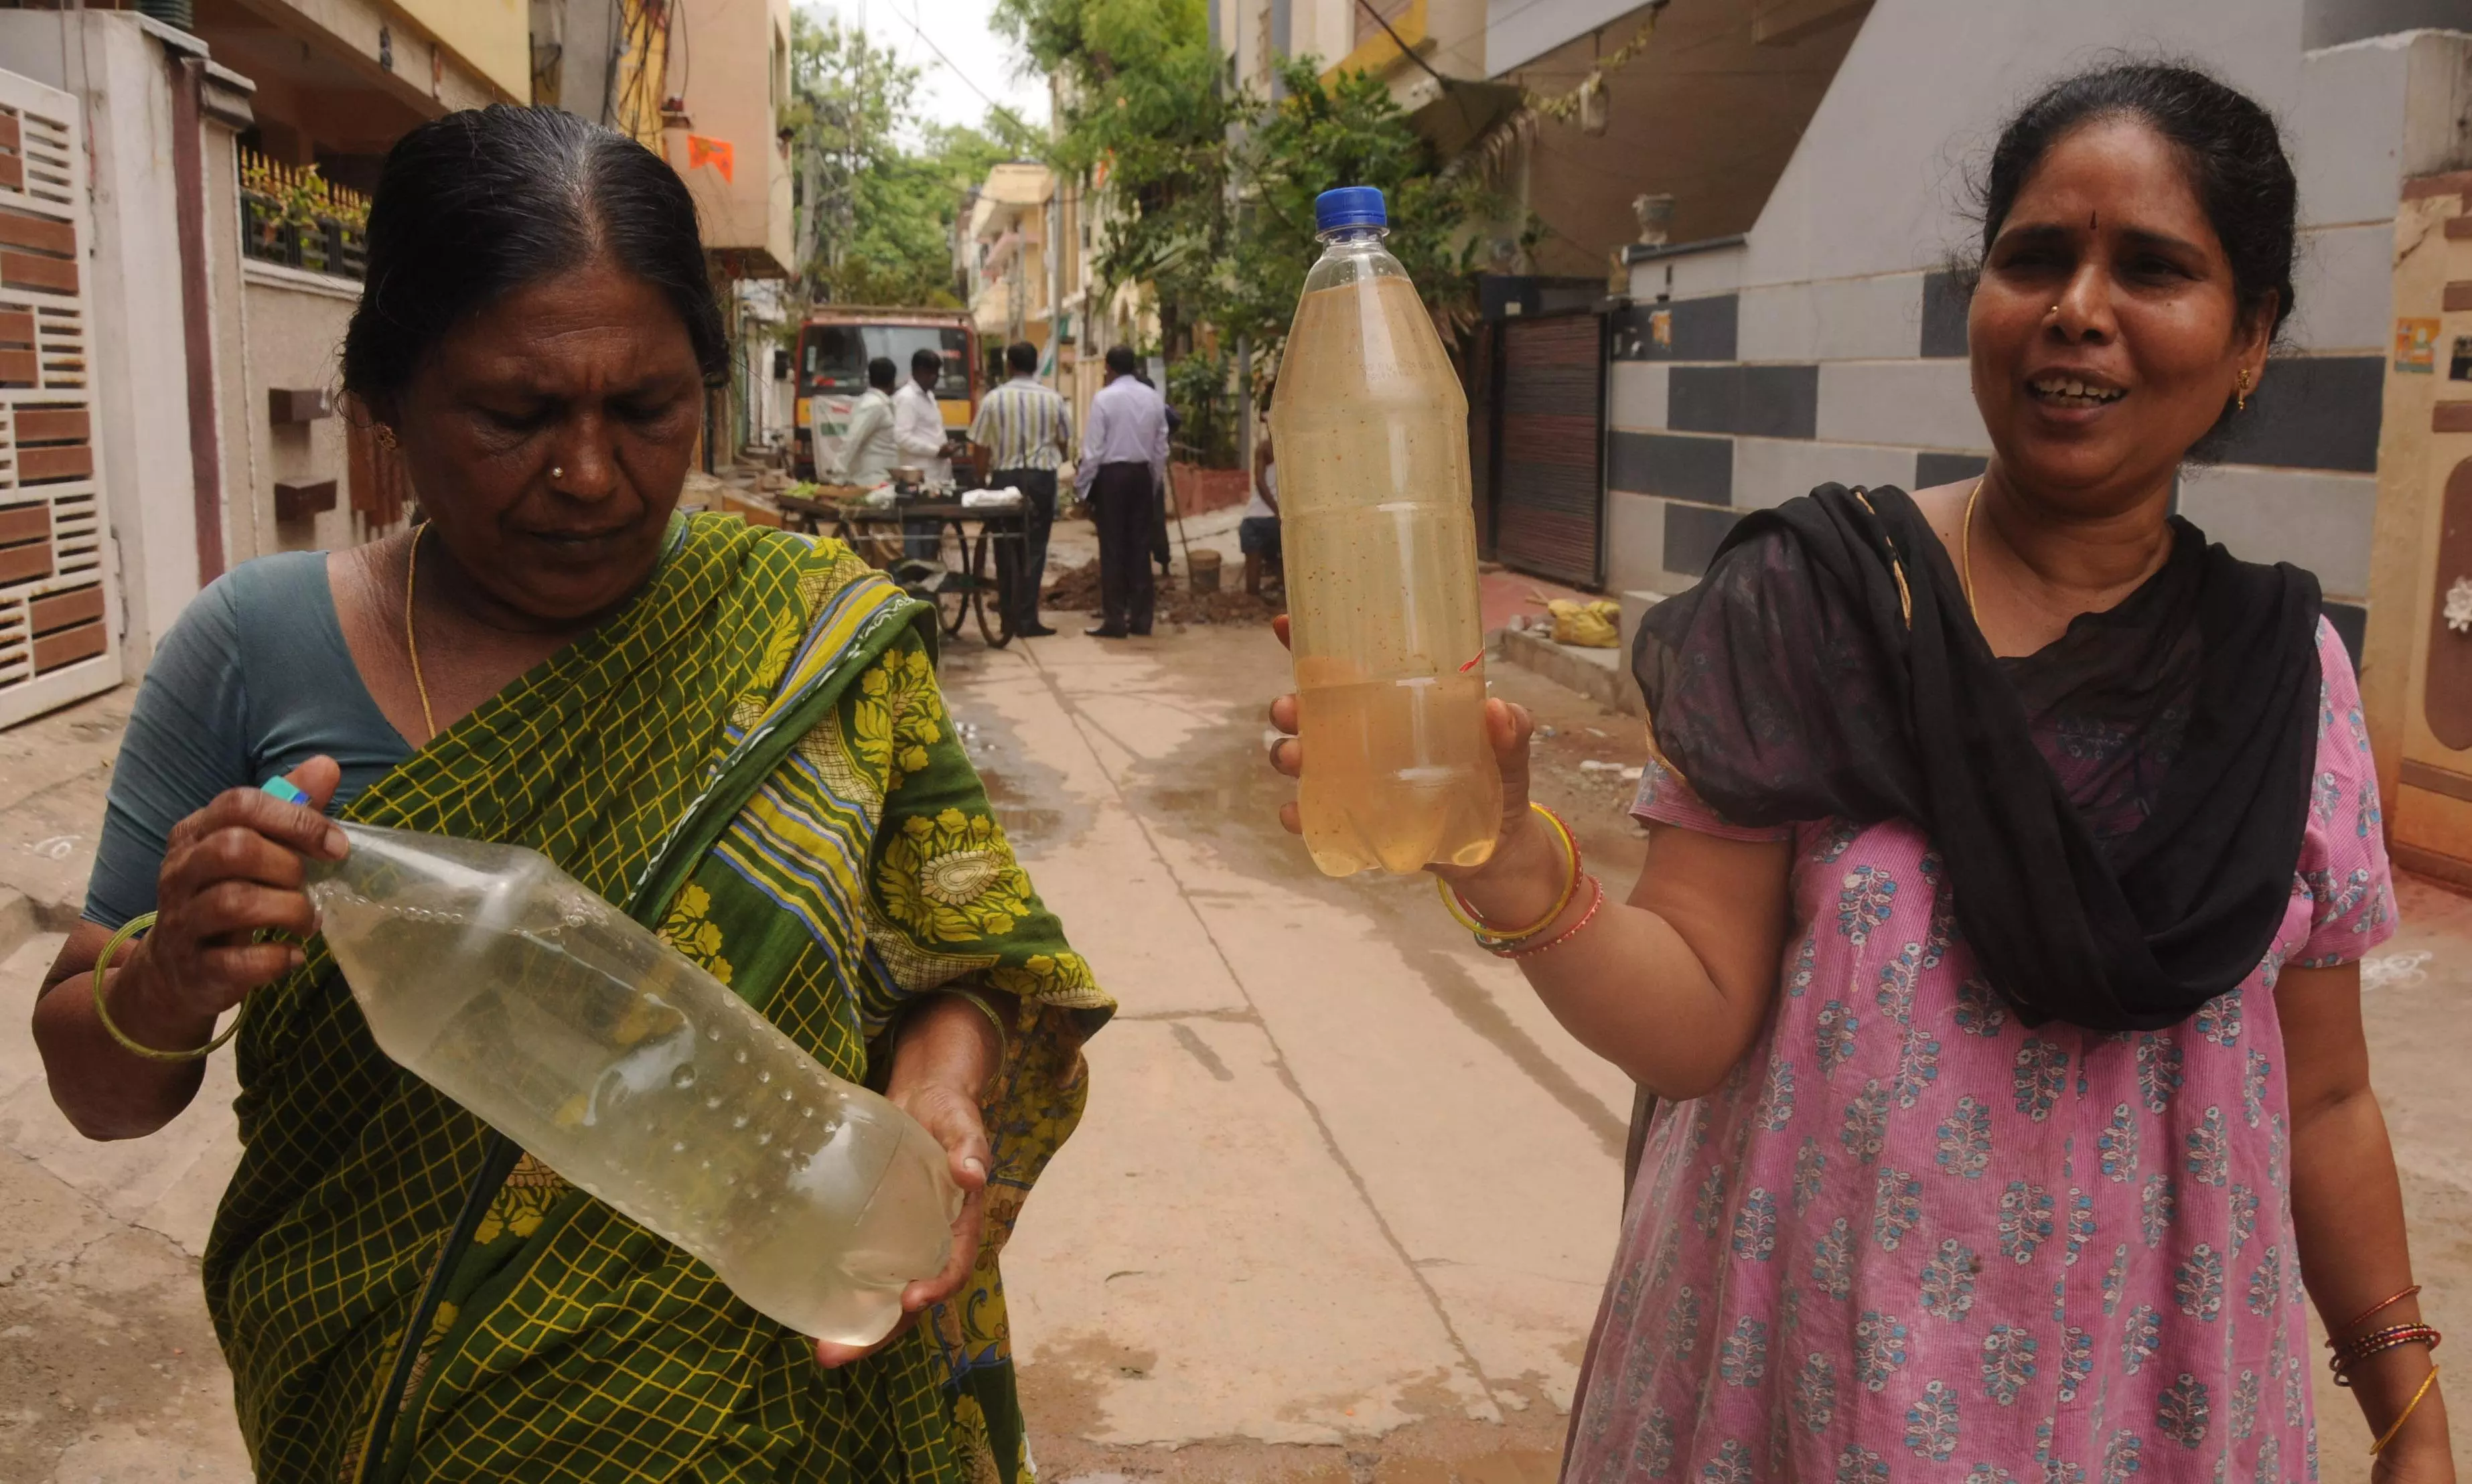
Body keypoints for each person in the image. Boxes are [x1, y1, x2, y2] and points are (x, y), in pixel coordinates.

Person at [1272, 64, 2453, 1480]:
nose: (2078, 306)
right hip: (1812, 1388)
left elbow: (2321, 1100)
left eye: (2152, 268)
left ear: (2249, 337)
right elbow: (1698, 1016)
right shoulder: (1820, 607)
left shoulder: (2284, 674)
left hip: (2151, 1413)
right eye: (2034, 259)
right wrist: (1506, 855)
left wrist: (2408, 1404)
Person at [31, 105, 1111, 1484]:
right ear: (388, 400)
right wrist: (170, 974)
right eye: (515, 414)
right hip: (393, 1430)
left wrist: (938, 1079)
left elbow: (970, 954)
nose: (592, 474)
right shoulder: (252, 647)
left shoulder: (800, 629)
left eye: (647, 409)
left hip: (782, 1427)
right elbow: (99, 1092)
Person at [967, 340, 1072, 638]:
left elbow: (981, 445)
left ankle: (1009, 617)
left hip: (1005, 479)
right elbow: (1064, 442)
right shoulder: (1053, 399)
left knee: (1005, 547)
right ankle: (1027, 619)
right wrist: (1056, 455)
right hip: (1041, 479)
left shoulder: (994, 399)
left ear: (1010, 365)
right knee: (1035, 548)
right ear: (1035, 365)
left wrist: (979, 480)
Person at [1075, 344, 1168, 638]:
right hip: (1141, 474)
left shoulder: (1104, 398)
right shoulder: (1153, 397)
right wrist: (1152, 481)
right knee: (1140, 548)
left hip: (1112, 477)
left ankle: (1115, 620)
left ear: (1109, 368)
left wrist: (1082, 487)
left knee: (1113, 549)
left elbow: (1093, 450)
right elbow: (1160, 447)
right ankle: (1142, 620)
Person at [893, 347, 958, 561]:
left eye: (937, 374)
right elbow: (902, 437)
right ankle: (915, 585)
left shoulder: (928, 396)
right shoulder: (907, 398)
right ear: (918, 371)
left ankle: (929, 584)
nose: (935, 379)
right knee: (917, 536)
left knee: (931, 536)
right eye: (932, 374)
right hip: (918, 478)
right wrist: (936, 450)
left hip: (937, 478)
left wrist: (944, 448)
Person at [830, 354, 900, 486]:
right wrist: (838, 475)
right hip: (872, 479)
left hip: (884, 478)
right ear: (893, 381)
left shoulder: (880, 403)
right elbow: (853, 439)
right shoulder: (874, 405)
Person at [1242, 429, 1281, 597]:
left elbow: (1259, 481)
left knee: (1252, 588)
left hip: (1253, 519)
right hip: (1273, 520)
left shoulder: (1264, 448)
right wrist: (1278, 512)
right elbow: (1260, 481)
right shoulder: (1294, 449)